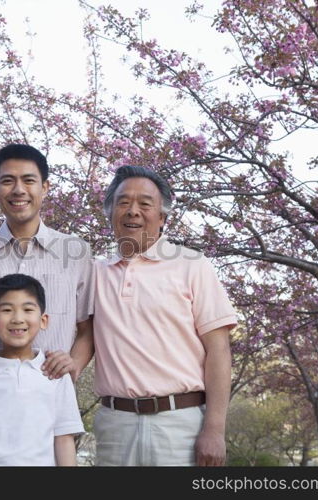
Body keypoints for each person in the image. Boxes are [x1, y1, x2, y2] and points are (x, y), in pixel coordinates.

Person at [92, 165, 237, 466]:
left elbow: (219, 350)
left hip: (180, 425)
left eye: (145, 204)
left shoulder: (192, 265)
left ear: (162, 217)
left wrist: (215, 429)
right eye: (123, 202)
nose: (133, 211)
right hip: (114, 426)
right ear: (110, 214)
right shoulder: (94, 273)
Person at [0, 144, 94, 383]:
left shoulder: (76, 252)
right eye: (7, 181)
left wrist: (73, 367)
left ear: (44, 187)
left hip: (52, 391)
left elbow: (87, 330)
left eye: (28, 180)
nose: (18, 190)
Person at [0, 274, 83, 466]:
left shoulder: (55, 374)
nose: (18, 319)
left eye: (28, 309)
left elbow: (63, 438)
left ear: (43, 320)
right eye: (7, 310)